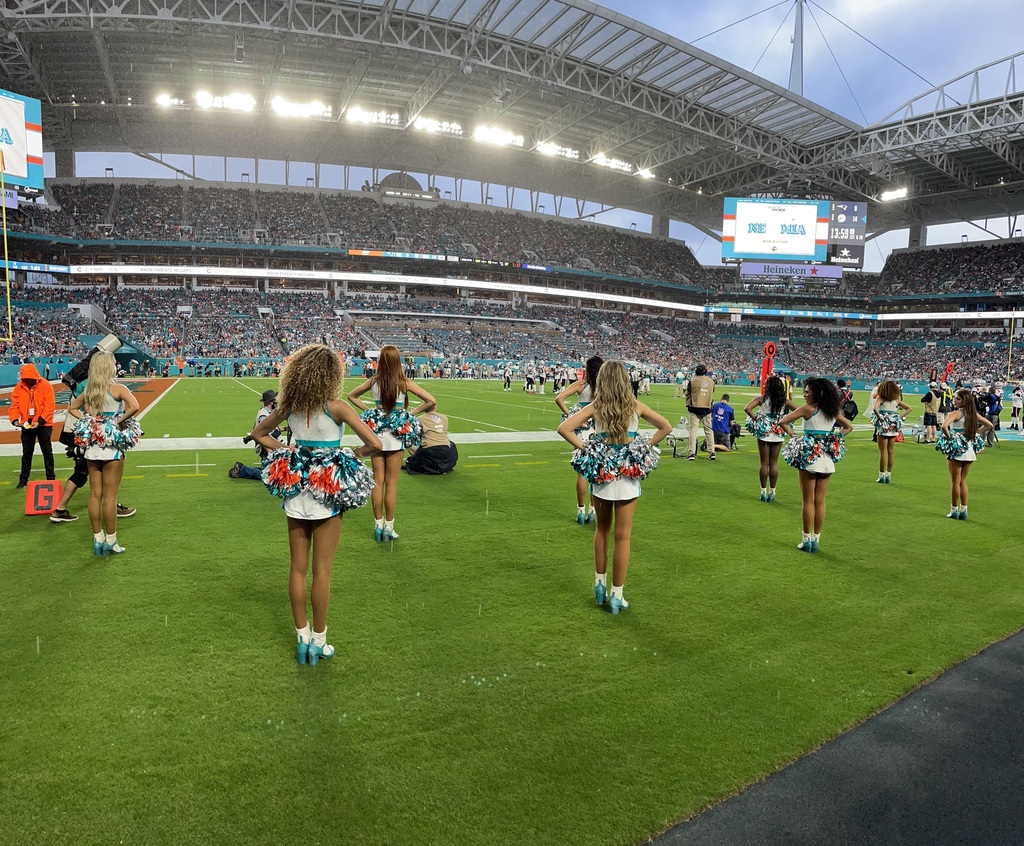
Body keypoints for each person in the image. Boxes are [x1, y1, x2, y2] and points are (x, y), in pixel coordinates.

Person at [252, 344, 381, 666]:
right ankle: (319, 642)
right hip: (327, 493)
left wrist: (289, 452)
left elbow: (259, 433)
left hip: (296, 492)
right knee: (321, 570)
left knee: (297, 568)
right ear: (330, 375)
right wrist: (349, 455)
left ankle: (302, 638)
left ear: (298, 373)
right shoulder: (337, 407)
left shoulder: (289, 407)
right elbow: (375, 444)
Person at [557, 360, 671, 615]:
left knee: (602, 530)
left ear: (603, 381)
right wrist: (643, 445)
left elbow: (564, 428)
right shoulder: (635, 406)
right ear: (624, 380)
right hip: (627, 478)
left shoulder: (597, 406)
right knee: (623, 536)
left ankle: (599, 587)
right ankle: (617, 596)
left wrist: (587, 448)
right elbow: (666, 427)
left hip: (603, 476)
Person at [348, 345, 436, 541]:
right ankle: (389, 527)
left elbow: (351, 396)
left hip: (376, 436)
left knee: (377, 482)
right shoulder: (404, 383)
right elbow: (431, 400)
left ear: (381, 361)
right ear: (397, 361)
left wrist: (369, 410)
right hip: (396, 436)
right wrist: (409, 414)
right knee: (392, 484)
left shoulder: (374, 381)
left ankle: (378, 526)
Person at [66, 352, 141, 555]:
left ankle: (97, 539)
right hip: (111, 448)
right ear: (110, 367)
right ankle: (111, 541)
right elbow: (135, 406)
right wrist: (116, 421)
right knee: (110, 496)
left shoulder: (89, 390)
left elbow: (73, 408)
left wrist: (89, 421)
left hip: (92, 448)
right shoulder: (118, 389)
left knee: (94, 495)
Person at [779, 377, 854, 553]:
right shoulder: (832, 411)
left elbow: (783, 422)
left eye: (807, 392)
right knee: (820, 501)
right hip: (826, 458)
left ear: (817, 394)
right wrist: (833, 438)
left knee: (808, 500)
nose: (804, 395)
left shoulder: (807, 409)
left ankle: (806, 540)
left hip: (810, 458)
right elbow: (848, 427)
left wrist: (794, 436)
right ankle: (816, 539)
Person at [554, 355, 603, 525]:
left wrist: (571, 415)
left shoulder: (581, 385)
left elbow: (558, 398)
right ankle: (593, 511)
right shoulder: (604, 388)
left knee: (582, 472)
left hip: (582, 429)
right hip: (598, 429)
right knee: (596, 472)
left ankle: (580, 511)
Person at [936, 388, 995, 520]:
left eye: (958, 399)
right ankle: (964, 511)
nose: (955, 400)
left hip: (957, 451)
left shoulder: (955, 413)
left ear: (965, 401)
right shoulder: (973, 414)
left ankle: (954, 510)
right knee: (963, 481)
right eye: (955, 398)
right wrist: (975, 432)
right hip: (969, 450)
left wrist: (951, 438)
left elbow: (944, 426)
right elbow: (989, 425)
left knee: (955, 482)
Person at [743, 375, 797, 502]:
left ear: (769, 386)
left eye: (766, 384)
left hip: (764, 432)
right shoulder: (785, 401)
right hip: (778, 432)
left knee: (764, 463)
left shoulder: (761, 399)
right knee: (773, 464)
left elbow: (747, 408)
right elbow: (798, 411)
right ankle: (772, 492)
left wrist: (756, 419)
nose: (764, 385)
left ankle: (763, 492)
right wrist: (787, 420)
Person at [8, 362, 56, 488]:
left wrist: (40, 421)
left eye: (30, 378)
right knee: (27, 453)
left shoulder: (45, 385)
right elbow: (15, 405)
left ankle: (51, 478)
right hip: (27, 424)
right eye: (26, 378)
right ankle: (23, 479)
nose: (28, 380)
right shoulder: (19, 387)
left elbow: (49, 406)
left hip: (44, 424)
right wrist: (14, 420)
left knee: (47, 452)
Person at [229, 390, 281, 480]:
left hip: (269, 445)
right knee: (269, 476)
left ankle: (244, 469)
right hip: (265, 447)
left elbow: (273, 429)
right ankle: (242, 470)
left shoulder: (266, 412)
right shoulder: (264, 416)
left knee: (271, 470)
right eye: (275, 401)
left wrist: (286, 429)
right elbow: (264, 435)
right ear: (271, 402)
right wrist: (270, 453)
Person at [871, 379, 912, 483]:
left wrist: (880, 418)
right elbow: (909, 408)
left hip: (883, 426)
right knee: (891, 452)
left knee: (883, 452)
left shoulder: (881, 398)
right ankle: (888, 475)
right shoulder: (896, 400)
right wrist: (899, 417)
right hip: (893, 426)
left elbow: (875, 409)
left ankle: (881, 475)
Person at [404, 409, 458, 475]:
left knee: (407, 440)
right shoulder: (444, 417)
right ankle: (445, 465)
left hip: (430, 453)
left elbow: (413, 435)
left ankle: (420, 462)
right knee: (451, 444)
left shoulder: (420, 419)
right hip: (446, 452)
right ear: (435, 407)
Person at [685, 364, 715, 461]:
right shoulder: (711, 381)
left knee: (693, 431)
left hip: (694, 407)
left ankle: (691, 453)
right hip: (707, 408)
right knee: (709, 431)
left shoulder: (692, 381)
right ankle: (712, 452)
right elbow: (712, 392)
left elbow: (688, 392)